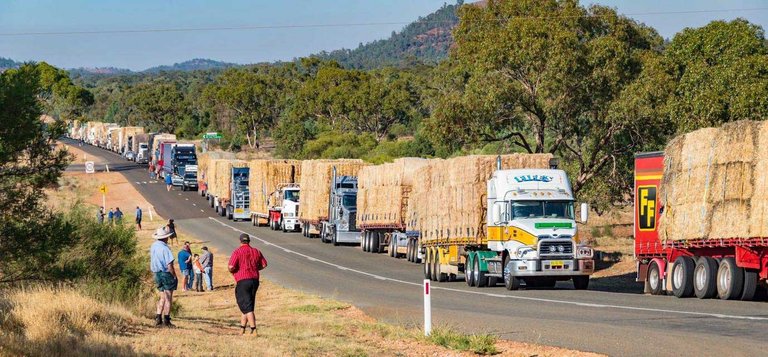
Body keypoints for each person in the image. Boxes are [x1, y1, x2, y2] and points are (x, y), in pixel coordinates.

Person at [228, 233, 268, 335]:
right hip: (254, 280)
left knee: (245, 305)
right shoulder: (256, 251)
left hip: (243, 280)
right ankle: (242, 328)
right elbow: (264, 264)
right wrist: (255, 268)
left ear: (240, 241)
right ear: (249, 241)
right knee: (249, 304)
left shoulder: (237, 252)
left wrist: (233, 270)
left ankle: (253, 329)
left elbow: (231, 266)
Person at [150, 226, 177, 328]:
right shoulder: (165, 248)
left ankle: (158, 318)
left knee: (162, 297)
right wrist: (174, 276)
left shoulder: (153, 246)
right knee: (168, 297)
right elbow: (169, 265)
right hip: (165, 273)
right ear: (165, 238)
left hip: (156, 273)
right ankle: (167, 320)